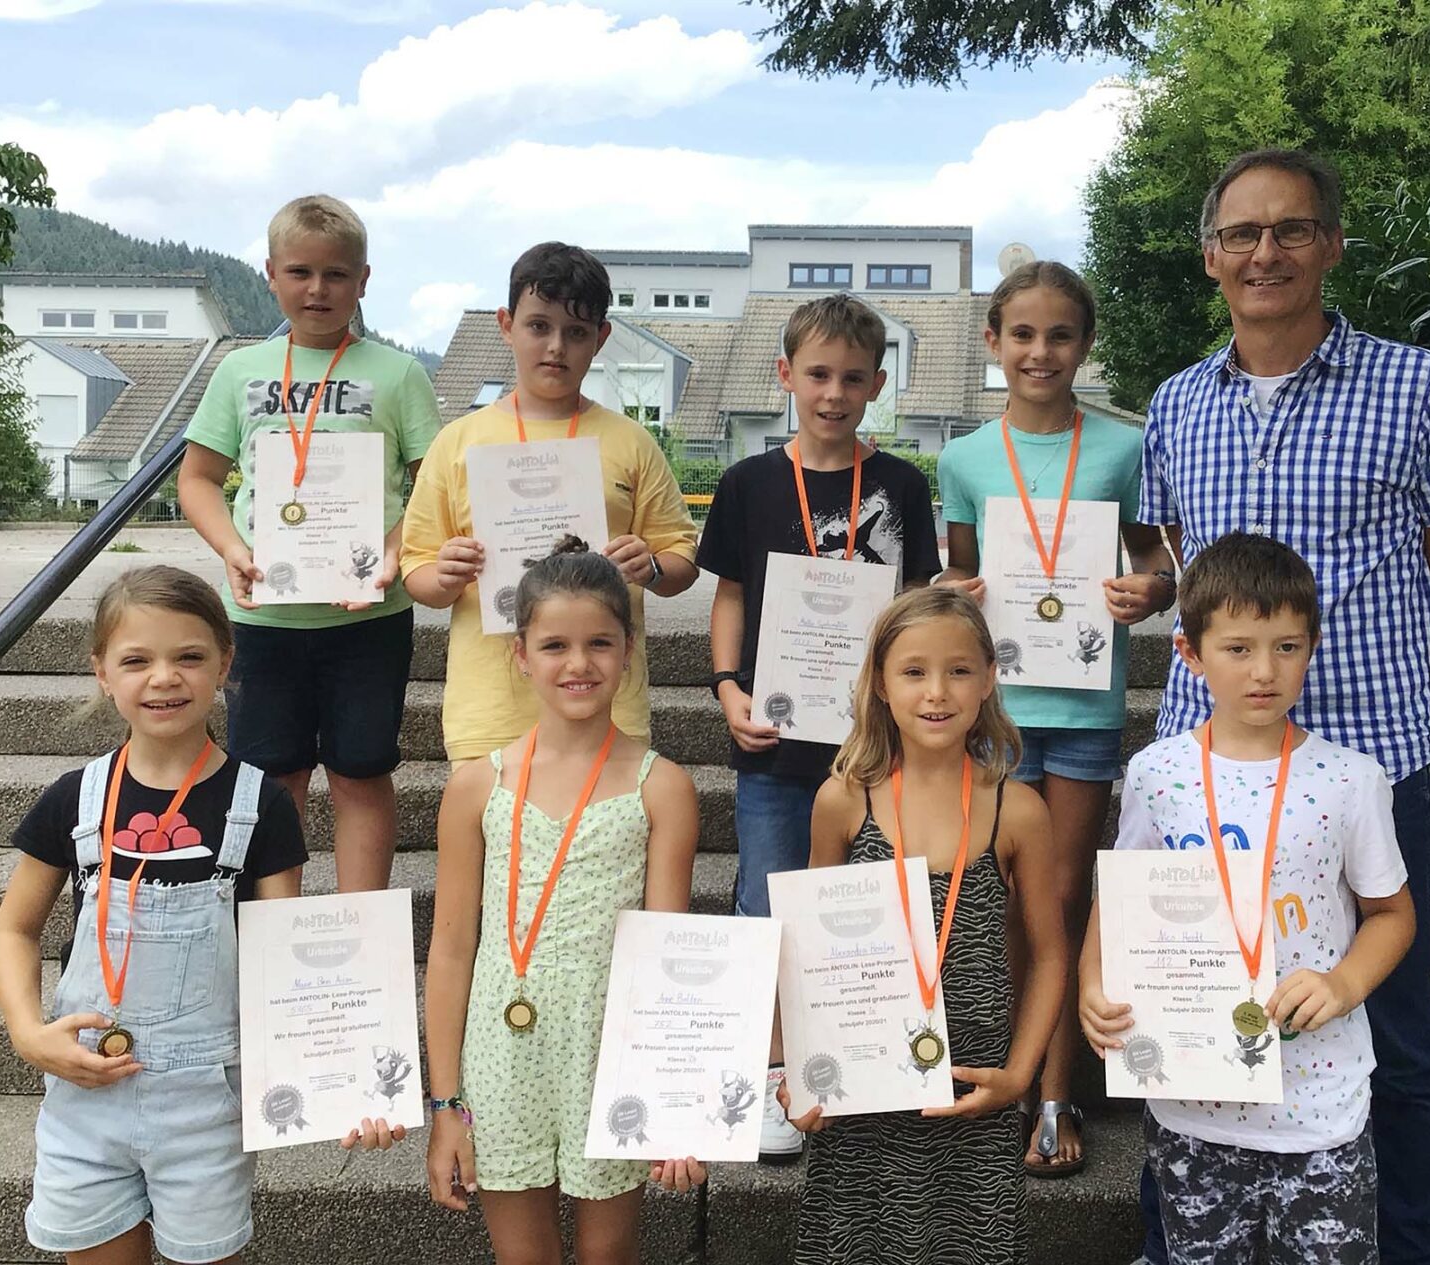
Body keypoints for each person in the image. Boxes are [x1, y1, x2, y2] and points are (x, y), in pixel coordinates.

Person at [1126, 149, 1430, 1263]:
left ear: (1332, 245)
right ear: (1210, 257)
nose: (1266, 252)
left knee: (1395, 1030)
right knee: (1195, 1009)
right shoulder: (1177, 402)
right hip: (1205, 775)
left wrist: (1368, 673)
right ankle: (1182, 1239)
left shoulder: (1420, 385)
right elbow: (1191, 569)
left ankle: (1414, 1249)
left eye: (1291, 229)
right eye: (1242, 234)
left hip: (1367, 765)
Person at [0, 566, 389, 1265]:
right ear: (102, 673)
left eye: (189, 656)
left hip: (206, 1106)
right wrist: (27, 1032)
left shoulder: (262, 805)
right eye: (136, 660)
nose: (164, 677)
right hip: (84, 1096)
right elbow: (13, 929)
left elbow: (285, 969)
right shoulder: (73, 799)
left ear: (225, 664)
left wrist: (346, 1086)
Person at [1083, 533, 1415, 1264]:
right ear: (1189, 652)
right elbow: (1122, 895)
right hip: (1190, 1105)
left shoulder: (1351, 780)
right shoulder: (1156, 773)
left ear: (1312, 647)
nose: (1265, 670)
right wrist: (1092, 982)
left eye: (1287, 647)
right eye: (1238, 648)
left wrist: (1343, 983)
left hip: (1319, 1107)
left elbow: (1392, 914)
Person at [936, 260, 1174, 1175]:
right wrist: (953, 589)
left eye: (1061, 335)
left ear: (1085, 344)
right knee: (1000, 895)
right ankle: (1005, 1071)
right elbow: (958, 577)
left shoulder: (1123, 446)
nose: (1041, 352)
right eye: (1024, 335)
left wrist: (1150, 591)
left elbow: (1158, 563)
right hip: (996, 713)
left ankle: (1055, 1090)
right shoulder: (964, 457)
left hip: (1081, 707)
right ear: (993, 342)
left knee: (1066, 894)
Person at [696, 292, 942, 1163]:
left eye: (852, 378)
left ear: (878, 383)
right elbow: (729, 596)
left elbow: (917, 606)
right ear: (786, 376)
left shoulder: (903, 486)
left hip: (874, 748)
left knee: (866, 911)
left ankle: (861, 1064)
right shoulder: (748, 483)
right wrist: (727, 686)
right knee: (767, 906)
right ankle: (773, 1076)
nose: (834, 393)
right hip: (773, 744)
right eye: (818, 375)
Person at [422, 537, 704, 1265]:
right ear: (520, 654)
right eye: (554, 645)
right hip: (500, 1049)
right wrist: (446, 1103)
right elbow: (450, 950)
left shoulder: (661, 786)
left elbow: (667, 957)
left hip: (609, 1045)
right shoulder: (476, 786)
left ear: (629, 650)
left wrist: (674, 1098)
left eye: (599, 643)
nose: (578, 663)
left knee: (608, 1254)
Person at [779, 586, 1066, 1263]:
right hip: (861, 1094)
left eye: (959, 670)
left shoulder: (1018, 809)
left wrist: (1019, 1075)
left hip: (973, 1090)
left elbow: (1051, 954)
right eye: (914, 671)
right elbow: (806, 952)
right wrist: (798, 1072)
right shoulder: (843, 801)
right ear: (880, 683)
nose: (937, 691)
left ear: (989, 678)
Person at [178, 193, 441, 893]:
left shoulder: (399, 374)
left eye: (336, 274)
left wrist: (395, 552)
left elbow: (436, 488)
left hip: (368, 618)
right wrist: (232, 547)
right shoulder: (239, 370)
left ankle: (363, 926)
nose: (317, 289)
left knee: (362, 772)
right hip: (266, 618)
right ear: (270, 275)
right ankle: (274, 928)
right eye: (300, 271)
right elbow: (198, 479)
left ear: (363, 280)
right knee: (272, 779)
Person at [400, 242, 699, 762]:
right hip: (491, 712)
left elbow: (682, 561)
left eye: (576, 332)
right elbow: (416, 570)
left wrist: (651, 567)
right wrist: (444, 576)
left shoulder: (630, 442)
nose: (556, 347)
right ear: (506, 324)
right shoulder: (457, 443)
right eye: (539, 326)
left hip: (607, 710)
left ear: (601, 338)